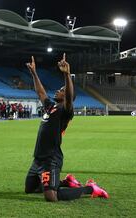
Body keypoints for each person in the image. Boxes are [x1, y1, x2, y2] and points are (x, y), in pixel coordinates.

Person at [24, 54, 109, 202]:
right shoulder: (51, 106)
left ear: (67, 96)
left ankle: (91, 188)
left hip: (51, 159)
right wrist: (34, 73)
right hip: (38, 159)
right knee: (29, 189)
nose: (58, 91)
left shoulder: (66, 110)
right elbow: (40, 92)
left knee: (51, 196)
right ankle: (66, 182)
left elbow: (69, 96)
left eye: (62, 90)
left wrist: (67, 74)